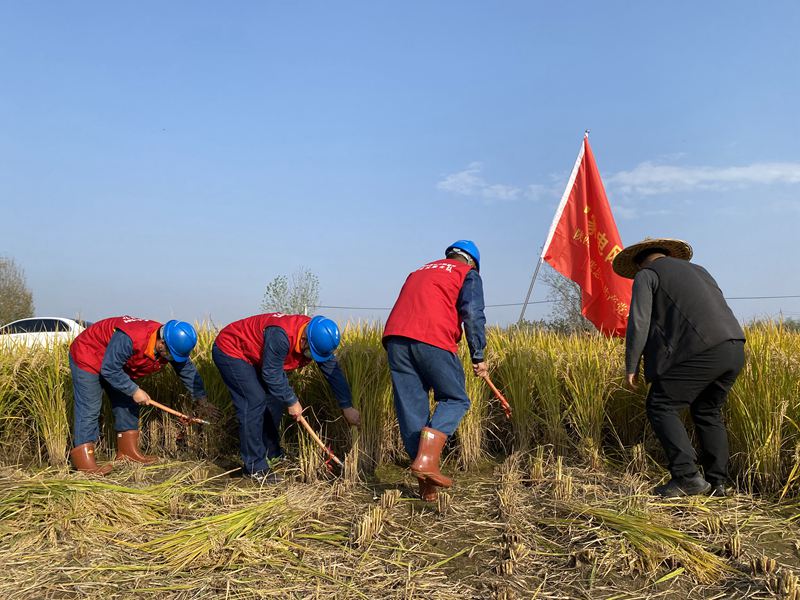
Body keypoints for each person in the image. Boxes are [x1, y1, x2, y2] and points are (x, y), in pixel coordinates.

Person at [612, 238, 746, 498]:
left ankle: (686, 477)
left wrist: (632, 365)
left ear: (639, 263)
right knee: (707, 411)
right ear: (666, 254)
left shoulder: (647, 275)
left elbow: (639, 322)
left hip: (702, 350)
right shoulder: (700, 271)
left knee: (661, 405)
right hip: (734, 347)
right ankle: (718, 483)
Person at [383, 240, 488, 502]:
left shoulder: (418, 271)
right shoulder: (467, 274)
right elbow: (473, 315)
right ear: (472, 262)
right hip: (432, 338)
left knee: (412, 409)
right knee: (455, 399)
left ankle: (425, 485)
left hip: (395, 339)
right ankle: (427, 461)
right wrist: (478, 355)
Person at [212, 313, 360, 483]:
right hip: (232, 350)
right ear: (304, 340)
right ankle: (254, 467)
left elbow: (334, 374)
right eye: (312, 354)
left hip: (258, 357)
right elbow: (271, 374)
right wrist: (292, 400)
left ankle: (271, 453)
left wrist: (346, 406)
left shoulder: (318, 338)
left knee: (275, 401)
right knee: (253, 401)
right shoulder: (281, 335)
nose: (312, 359)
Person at [69, 316, 217, 474]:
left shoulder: (172, 343)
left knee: (127, 402)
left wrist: (201, 399)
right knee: (90, 407)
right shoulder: (131, 337)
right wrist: (134, 390)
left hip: (117, 364)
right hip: (88, 356)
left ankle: (127, 452)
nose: (172, 360)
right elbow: (110, 369)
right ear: (161, 343)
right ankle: (85, 464)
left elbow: (186, 370)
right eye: (171, 355)